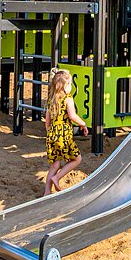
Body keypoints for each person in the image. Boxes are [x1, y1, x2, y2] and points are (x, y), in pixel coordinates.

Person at [44, 68, 89, 196]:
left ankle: (47, 192)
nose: (70, 87)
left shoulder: (51, 100)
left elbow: (47, 121)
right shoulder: (68, 99)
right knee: (77, 159)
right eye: (69, 84)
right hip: (64, 136)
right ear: (64, 86)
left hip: (52, 135)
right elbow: (72, 116)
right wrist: (83, 124)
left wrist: (50, 133)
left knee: (55, 165)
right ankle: (57, 178)